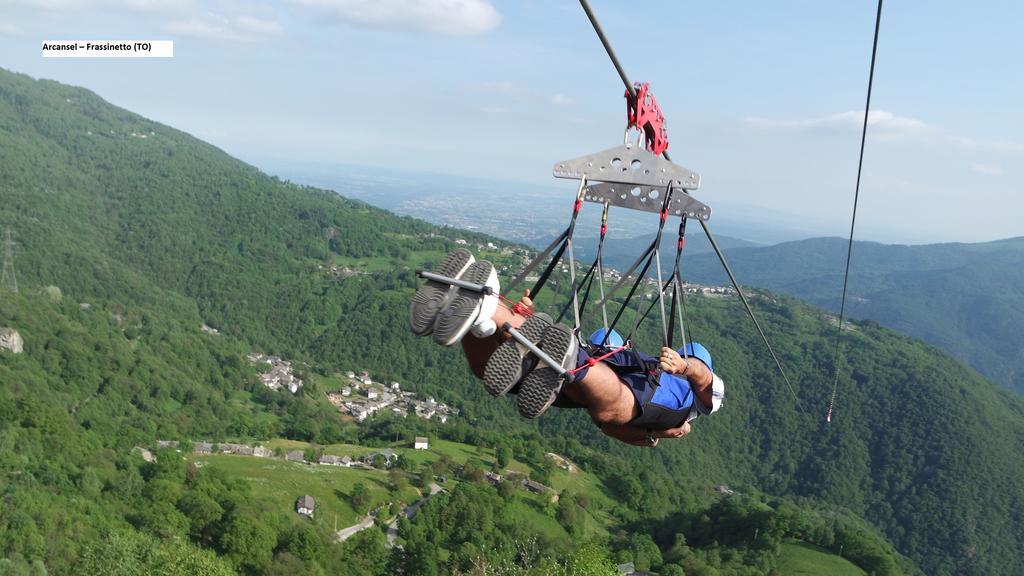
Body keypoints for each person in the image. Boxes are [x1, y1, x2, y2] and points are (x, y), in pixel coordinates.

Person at [410, 249, 724, 447]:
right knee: (604, 397)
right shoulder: (669, 384)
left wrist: (652, 433)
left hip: (601, 387)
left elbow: (701, 377)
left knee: (514, 370)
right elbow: (701, 378)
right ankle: (482, 313)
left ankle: (483, 315)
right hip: (601, 381)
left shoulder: (684, 406)